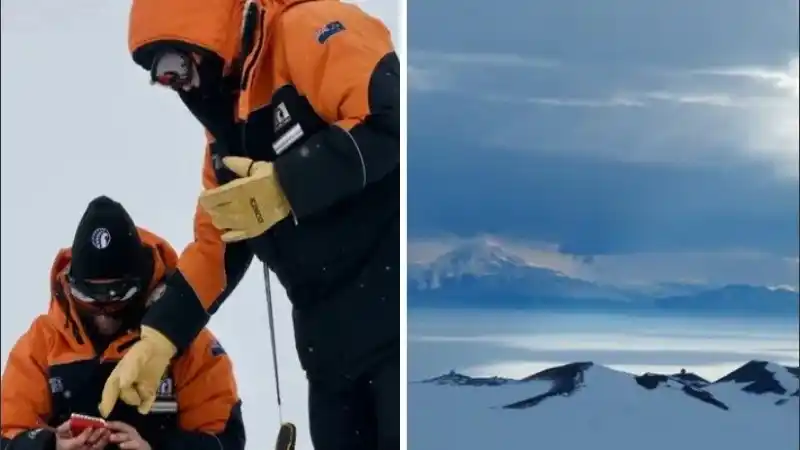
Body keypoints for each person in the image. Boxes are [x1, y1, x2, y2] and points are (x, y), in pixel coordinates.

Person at [101, 1, 400, 449]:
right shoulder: (226, 134)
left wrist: (289, 184)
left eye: (174, 62)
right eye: (158, 73)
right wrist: (160, 336)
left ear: (207, 31)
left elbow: (394, 118)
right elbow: (218, 243)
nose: (173, 82)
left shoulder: (308, 31)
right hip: (332, 361)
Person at [0, 196, 246, 450]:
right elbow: (7, 434)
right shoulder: (41, 345)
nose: (103, 312)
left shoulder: (188, 343)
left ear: (142, 286)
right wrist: (51, 446)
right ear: (69, 286)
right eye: (88, 297)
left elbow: (224, 440)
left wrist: (154, 448)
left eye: (117, 296)